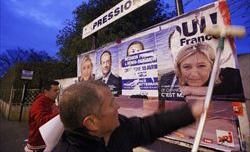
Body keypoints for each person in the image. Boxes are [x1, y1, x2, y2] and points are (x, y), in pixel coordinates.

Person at [53, 80, 203, 152]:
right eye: (111, 104)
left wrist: (190, 113)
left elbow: (149, 126)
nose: (118, 107)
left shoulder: (119, 127)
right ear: (91, 123)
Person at [160, 42, 244, 101]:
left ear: (212, 66)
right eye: (187, 67)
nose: (194, 74)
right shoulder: (168, 80)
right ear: (179, 69)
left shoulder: (232, 77)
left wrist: (192, 91)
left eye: (201, 66)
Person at [26, 80, 60, 152]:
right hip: (37, 146)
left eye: (58, 90)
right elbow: (42, 121)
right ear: (46, 92)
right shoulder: (38, 104)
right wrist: (62, 114)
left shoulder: (52, 102)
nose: (58, 92)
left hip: (47, 144)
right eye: (55, 90)